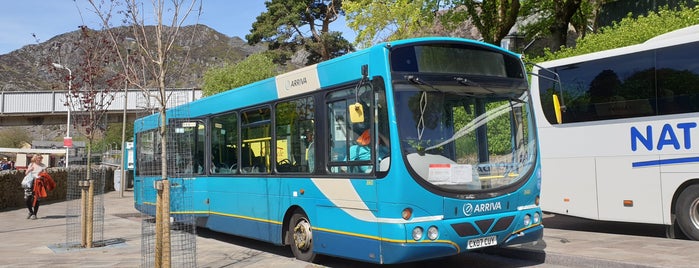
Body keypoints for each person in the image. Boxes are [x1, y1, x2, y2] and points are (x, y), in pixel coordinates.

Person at [24, 155, 46, 220]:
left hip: (38, 184)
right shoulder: (31, 164)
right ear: (35, 159)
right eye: (38, 159)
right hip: (30, 184)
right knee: (27, 199)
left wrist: (41, 176)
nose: (39, 160)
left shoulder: (43, 166)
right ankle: (31, 212)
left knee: (37, 199)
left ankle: (34, 214)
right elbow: (26, 173)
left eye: (40, 159)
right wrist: (30, 170)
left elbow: (45, 175)